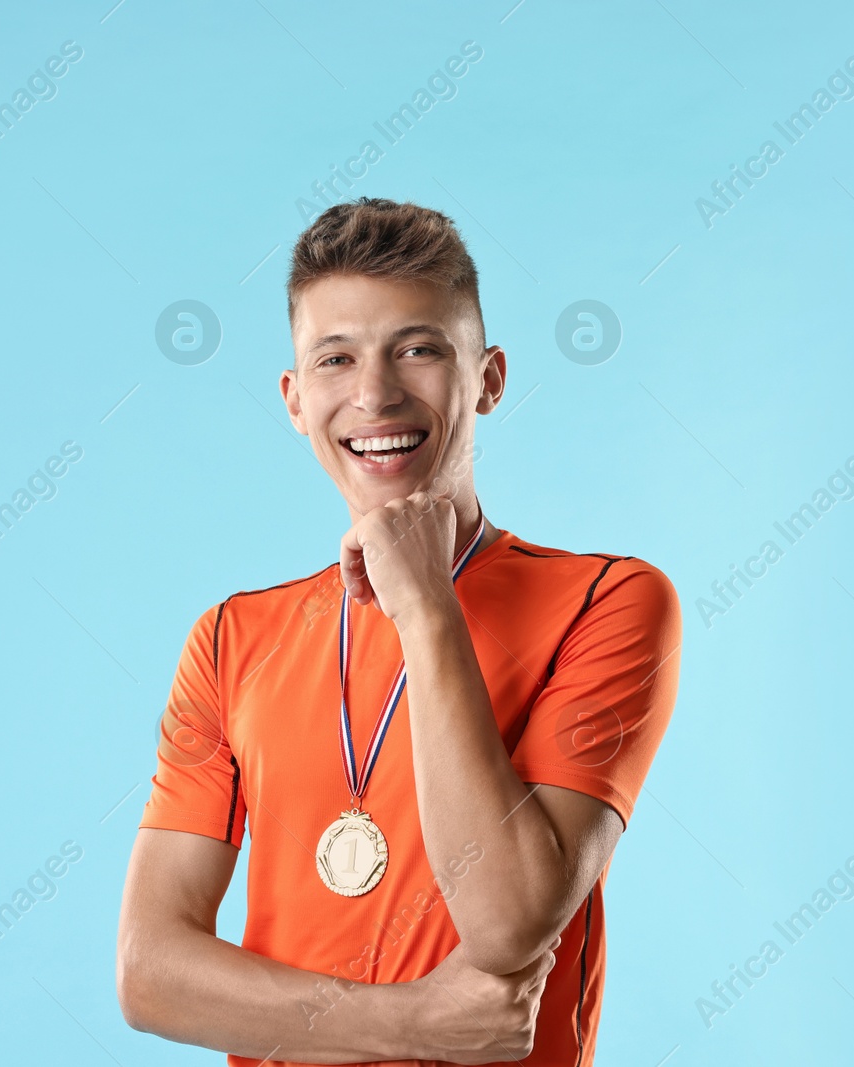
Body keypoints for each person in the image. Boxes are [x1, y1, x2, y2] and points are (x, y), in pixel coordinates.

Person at [116, 197, 681, 1066]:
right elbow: (152, 975)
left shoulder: (608, 601)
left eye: (418, 348)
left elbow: (507, 921)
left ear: (488, 378)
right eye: (336, 358)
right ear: (296, 400)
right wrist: (416, 1022)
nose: (375, 393)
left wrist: (424, 604)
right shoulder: (232, 639)